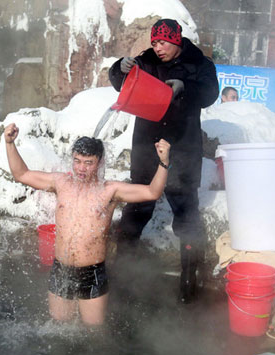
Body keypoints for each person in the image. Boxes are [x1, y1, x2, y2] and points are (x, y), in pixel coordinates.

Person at [4, 122, 171, 325]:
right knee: (58, 328)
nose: (81, 168)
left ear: (99, 162)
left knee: (94, 333)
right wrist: (9, 143)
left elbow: (152, 192)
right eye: (77, 161)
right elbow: (22, 174)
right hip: (61, 269)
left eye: (88, 163)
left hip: (91, 272)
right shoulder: (61, 183)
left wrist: (163, 162)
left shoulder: (110, 191)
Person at [108, 19, 219, 304]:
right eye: (154, 42)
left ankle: (190, 279)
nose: (157, 48)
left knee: (187, 214)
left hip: (182, 147)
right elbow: (125, 87)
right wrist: (118, 69)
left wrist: (185, 87)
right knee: (136, 210)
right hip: (148, 147)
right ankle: (124, 274)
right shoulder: (146, 61)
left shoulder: (199, 63)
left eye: (163, 42)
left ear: (177, 40)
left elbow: (210, 93)